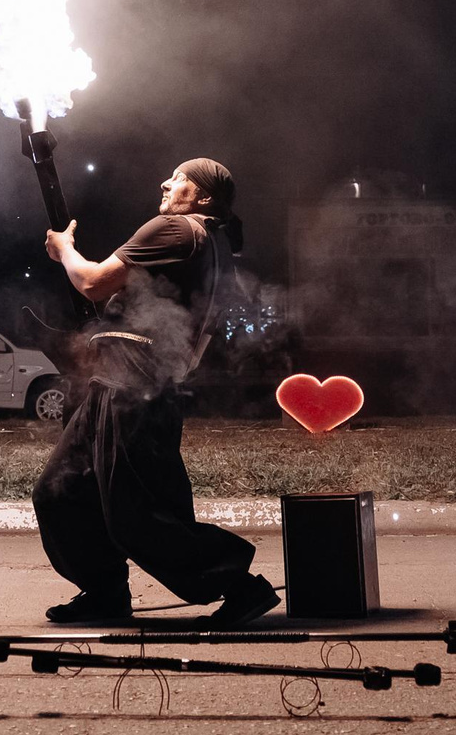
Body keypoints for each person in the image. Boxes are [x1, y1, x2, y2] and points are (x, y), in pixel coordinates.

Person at [33, 156, 280, 626]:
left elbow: (92, 282)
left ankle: (240, 585)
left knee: (137, 515)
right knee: (61, 494)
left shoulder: (175, 229)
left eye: (179, 179)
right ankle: (105, 593)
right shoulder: (210, 240)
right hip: (126, 385)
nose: (165, 183)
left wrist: (64, 249)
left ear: (203, 196)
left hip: (134, 388)